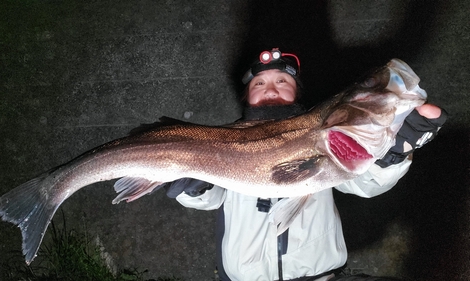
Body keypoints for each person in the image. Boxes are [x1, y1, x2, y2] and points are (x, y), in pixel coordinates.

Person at [164, 49, 447, 281]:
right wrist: (193, 188)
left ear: (297, 93)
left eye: (281, 82)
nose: (270, 89)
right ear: (247, 96)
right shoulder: (220, 139)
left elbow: (365, 184)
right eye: (259, 83)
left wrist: (391, 153)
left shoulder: (328, 137)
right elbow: (213, 199)